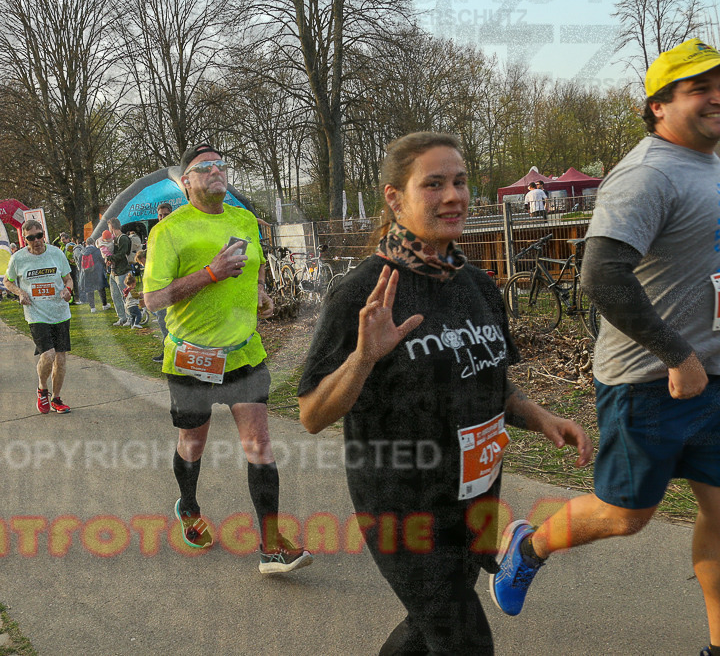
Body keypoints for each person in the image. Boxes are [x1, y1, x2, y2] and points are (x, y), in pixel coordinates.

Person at [297, 132, 591, 653]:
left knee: (427, 628)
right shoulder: (363, 293)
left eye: (459, 181)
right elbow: (313, 414)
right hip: (401, 507)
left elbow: (489, 378)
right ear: (395, 197)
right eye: (433, 184)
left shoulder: (476, 285)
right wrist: (364, 357)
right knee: (464, 640)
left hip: (475, 497)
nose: (454, 196)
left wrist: (538, 415)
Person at [491, 38, 720, 656]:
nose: (717, 96)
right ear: (659, 105)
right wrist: (679, 354)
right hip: (650, 382)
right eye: (700, 88)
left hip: (713, 380)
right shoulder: (647, 173)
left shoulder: (713, 167)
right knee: (626, 515)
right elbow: (601, 276)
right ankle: (529, 545)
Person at [144, 143, 311, 574]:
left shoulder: (244, 221)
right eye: (204, 168)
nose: (215, 171)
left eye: (220, 165)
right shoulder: (168, 231)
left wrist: (259, 297)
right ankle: (190, 506)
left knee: (259, 443)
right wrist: (209, 274)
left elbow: (251, 270)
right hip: (192, 357)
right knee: (193, 443)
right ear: (186, 183)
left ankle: (271, 547)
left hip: (243, 352)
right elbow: (153, 298)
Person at [4, 220, 74, 414]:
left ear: (44, 235)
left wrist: (68, 290)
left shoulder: (56, 253)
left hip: (59, 312)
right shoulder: (18, 258)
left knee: (60, 359)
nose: (37, 240)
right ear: (25, 240)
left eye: (39, 235)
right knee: (48, 354)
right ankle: (42, 388)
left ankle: (56, 399)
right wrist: (19, 292)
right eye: (31, 238)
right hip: (36, 313)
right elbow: (7, 281)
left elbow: (68, 278)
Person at [149, 202, 173, 362]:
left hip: (174, 283)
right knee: (162, 318)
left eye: (166, 214)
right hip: (159, 284)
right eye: (160, 215)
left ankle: (174, 353)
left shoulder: (177, 231)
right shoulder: (156, 232)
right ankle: (168, 351)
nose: (163, 217)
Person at [106, 218, 132, 326]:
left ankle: (130, 318)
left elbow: (122, 254)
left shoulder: (123, 238)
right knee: (115, 296)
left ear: (112, 226)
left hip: (122, 271)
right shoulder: (114, 239)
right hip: (113, 272)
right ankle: (122, 317)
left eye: (109, 227)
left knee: (126, 295)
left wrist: (110, 258)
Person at [77, 237, 108, 313]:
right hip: (97, 273)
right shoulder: (97, 251)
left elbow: (79, 263)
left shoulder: (82, 251)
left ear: (86, 243)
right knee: (101, 289)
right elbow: (102, 260)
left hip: (86, 274)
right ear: (93, 243)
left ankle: (92, 308)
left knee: (89, 290)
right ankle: (104, 305)